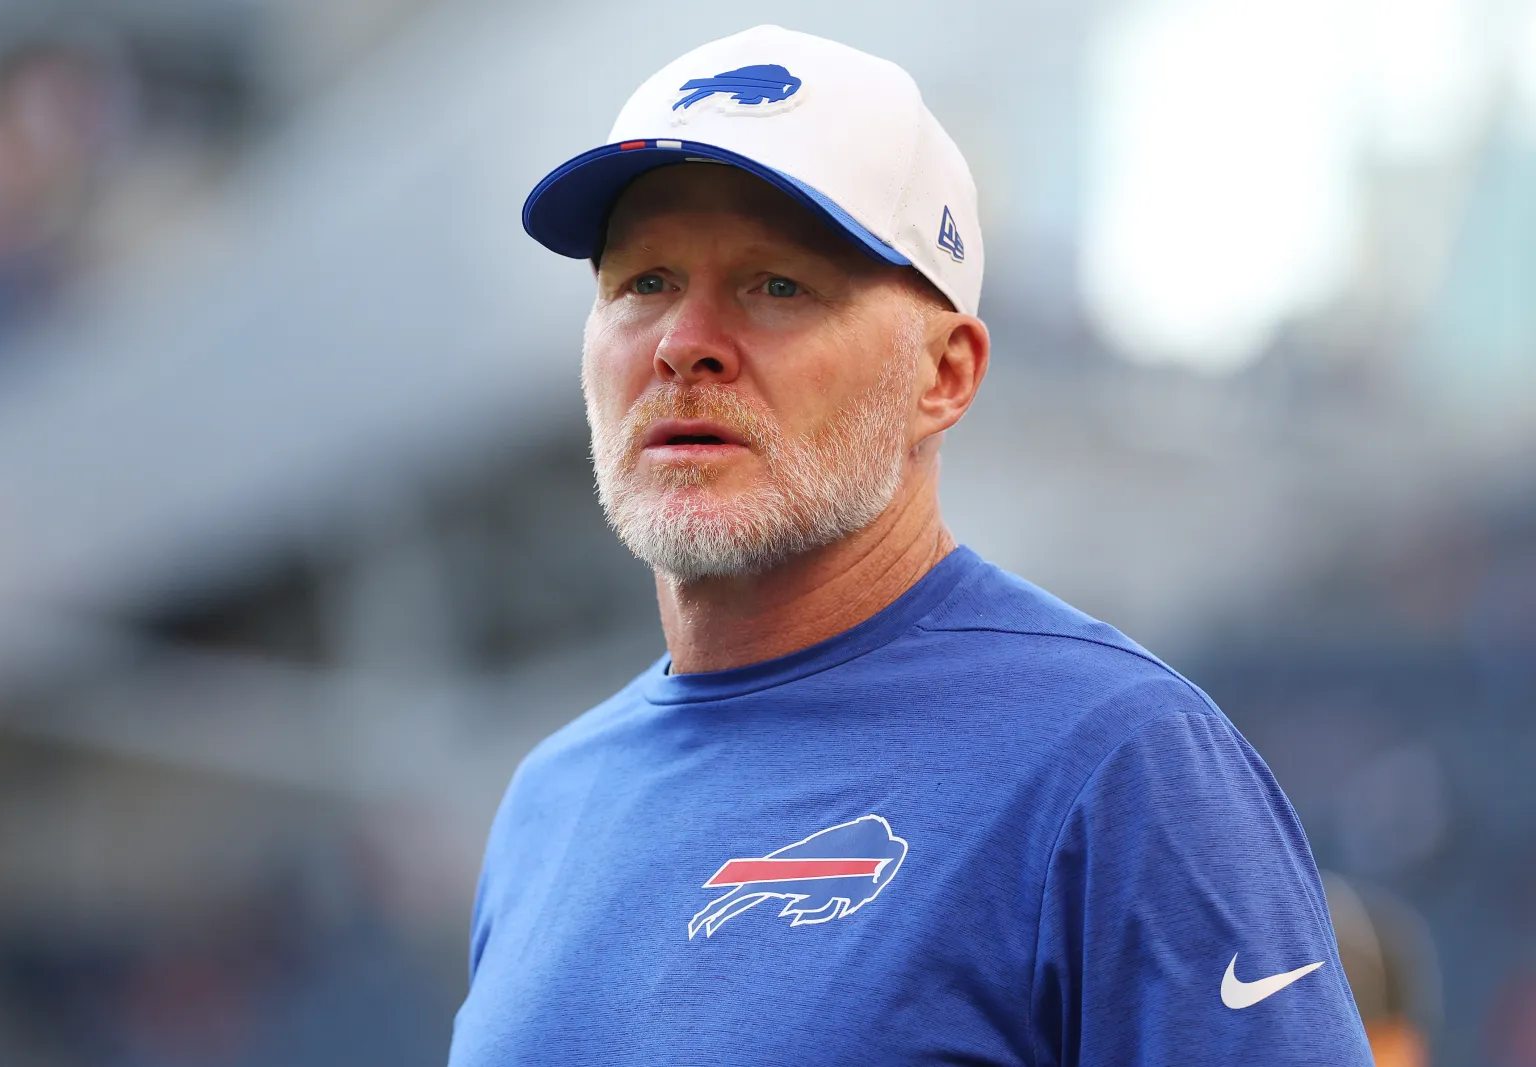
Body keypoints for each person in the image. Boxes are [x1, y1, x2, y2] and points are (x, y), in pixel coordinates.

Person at [448, 25, 1374, 1066]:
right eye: (642, 282)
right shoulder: (549, 803)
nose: (681, 342)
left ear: (943, 375)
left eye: (776, 285)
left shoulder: (1117, 761)